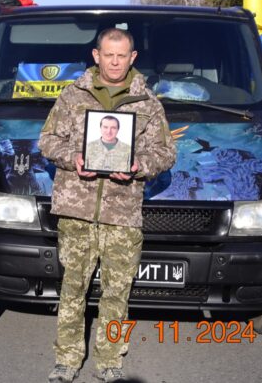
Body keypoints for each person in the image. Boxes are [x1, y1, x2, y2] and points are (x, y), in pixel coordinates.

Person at [39, 28, 176, 383]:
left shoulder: (147, 103)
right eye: (108, 55)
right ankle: (67, 360)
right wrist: (74, 158)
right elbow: (48, 140)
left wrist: (137, 167)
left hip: (122, 214)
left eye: (122, 56)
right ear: (96, 55)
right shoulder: (72, 96)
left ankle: (110, 362)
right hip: (77, 210)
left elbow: (165, 152)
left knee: (117, 291)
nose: (115, 62)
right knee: (73, 289)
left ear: (132, 58)